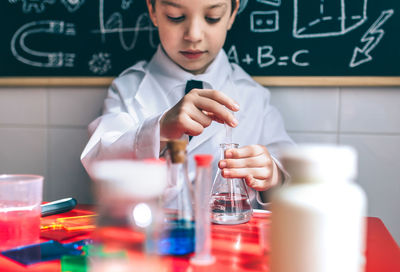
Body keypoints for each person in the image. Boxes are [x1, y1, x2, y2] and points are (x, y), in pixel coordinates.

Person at [81, 0, 294, 207]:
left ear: (231, 13)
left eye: (212, 18)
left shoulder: (253, 96)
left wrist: (274, 176)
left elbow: (295, 178)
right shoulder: (128, 89)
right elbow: (100, 162)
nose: (193, 35)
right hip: (151, 236)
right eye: (176, 17)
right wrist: (159, 129)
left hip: (229, 238)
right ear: (153, 11)